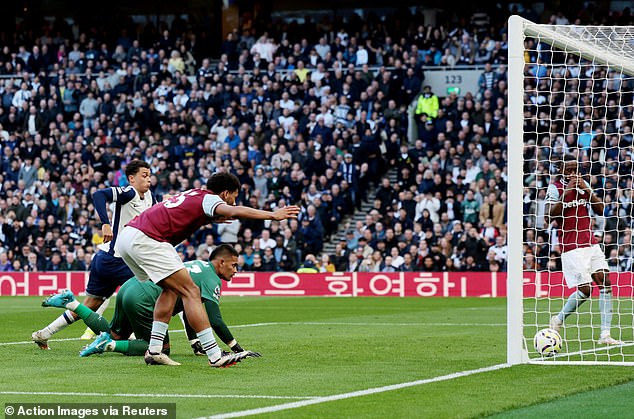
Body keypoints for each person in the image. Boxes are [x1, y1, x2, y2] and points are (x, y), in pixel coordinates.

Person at [114, 172, 300, 367]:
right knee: (191, 291)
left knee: (170, 289)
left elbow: (185, 213)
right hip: (148, 238)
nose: (233, 202)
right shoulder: (211, 199)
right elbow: (234, 212)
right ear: (225, 193)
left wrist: (210, 219)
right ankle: (214, 354)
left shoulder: (195, 194)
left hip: (129, 235)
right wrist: (272, 215)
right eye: (233, 197)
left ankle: (154, 351)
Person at [41, 245, 260, 362]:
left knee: (115, 332)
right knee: (158, 348)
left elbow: (192, 311)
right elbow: (214, 320)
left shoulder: (197, 265)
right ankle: (107, 346)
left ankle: (72, 303)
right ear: (220, 262)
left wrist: (195, 343)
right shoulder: (211, 278)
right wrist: (236, 349)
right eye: (233, 265)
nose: (236, 270)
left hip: (130, 286)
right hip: (147, 298)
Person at [32, 160, 155, 349]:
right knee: (152, 292)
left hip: (105, 258)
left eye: (149, 175)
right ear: (131, 179)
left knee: (90, 305)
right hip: (119, 259)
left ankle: (44, 333)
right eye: (144, 175)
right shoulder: (129, 192)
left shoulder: (150, 198)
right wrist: (105, 222)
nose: (149, 179)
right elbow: (98, 195)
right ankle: (143, 339)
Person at [546, 154, 622, 345]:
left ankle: (605, 335)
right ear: (560, 169)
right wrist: (568, 192)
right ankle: (558, 319)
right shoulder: (555, 188)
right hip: (571, 246)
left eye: (575, 168)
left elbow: (599, 208)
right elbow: (549, 215)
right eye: (569, 169)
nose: (573, 172)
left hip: (590, 242)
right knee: (586, 290)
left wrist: (586, 191)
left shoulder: (583, 184)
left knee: (605, 282)